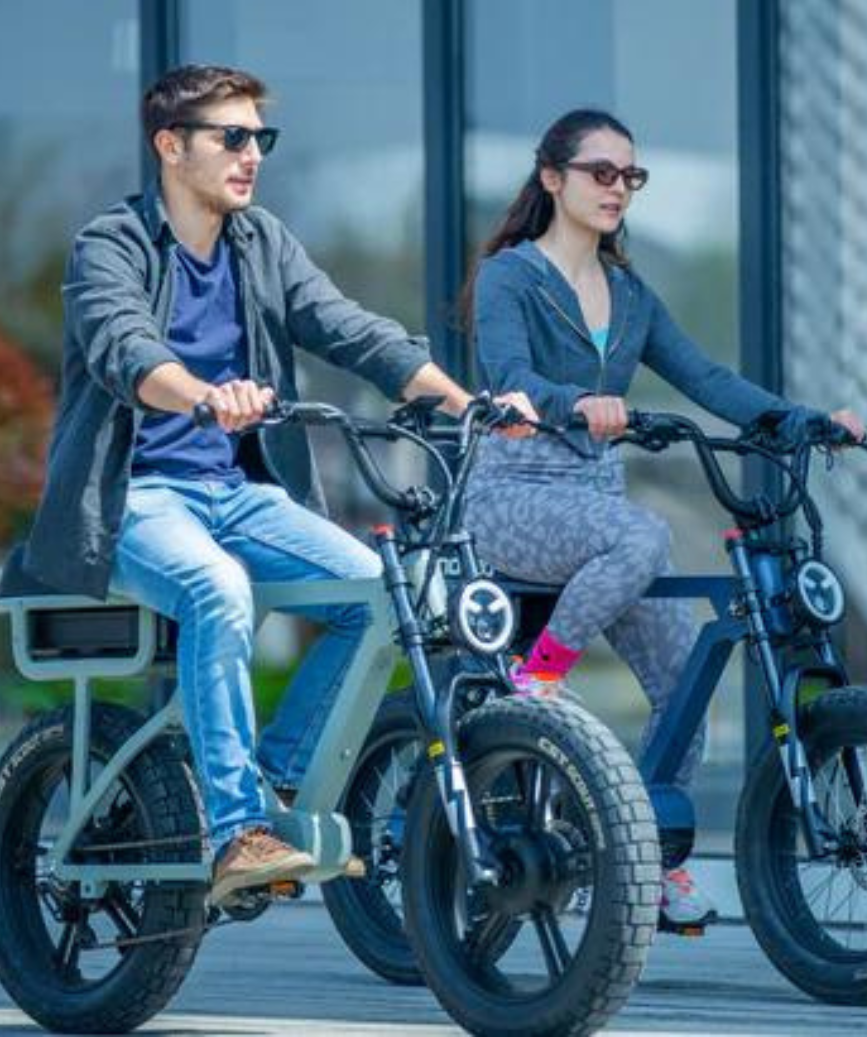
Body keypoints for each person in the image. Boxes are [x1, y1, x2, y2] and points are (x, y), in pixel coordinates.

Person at [17, 65, 532, 906]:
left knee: (383, 596)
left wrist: (465, 402)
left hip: (242, 494)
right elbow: (125, 348)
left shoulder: (260, 242)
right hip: (136, 498)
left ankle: (274, 784)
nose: (251, 154)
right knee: (215, 588)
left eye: (261, 138)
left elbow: (349, 328)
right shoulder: (110, 244)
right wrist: (203, 395)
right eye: (232, 137)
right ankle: (236, 834)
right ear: (171, 146)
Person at [463, 108, 866, 930]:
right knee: (645, 533)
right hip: (512, 493)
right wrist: (574, 403)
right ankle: (538, 683)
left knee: (686, 682)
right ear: (553, 179)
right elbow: (508, 376)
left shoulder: (630, 294)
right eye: (601, 172)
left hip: (593, 503)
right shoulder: (512, 276)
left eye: (631, 176)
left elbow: (706, 378)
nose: (618, 188)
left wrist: (803, 421)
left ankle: (652, 863)